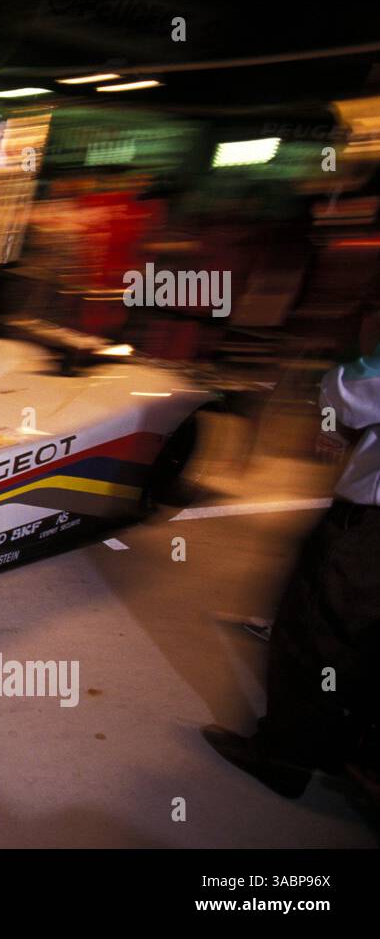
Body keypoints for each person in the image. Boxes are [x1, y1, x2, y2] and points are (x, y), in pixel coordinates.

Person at [203, 313, 380, 798]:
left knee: (314, 633)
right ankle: (347, 750)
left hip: (369, 526)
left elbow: (350, 391)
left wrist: (362, 348)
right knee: (363, 642)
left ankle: (284, 756)